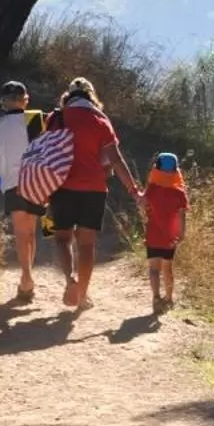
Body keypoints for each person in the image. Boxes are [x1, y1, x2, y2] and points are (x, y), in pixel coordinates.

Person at [46, 77, 143, 312]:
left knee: (62, 239)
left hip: (62, 186)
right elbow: (116, 160)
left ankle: (70, 279)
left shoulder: (56, 118)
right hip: (93, 189)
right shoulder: (101, 121)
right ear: (92, 96)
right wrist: (134, 190)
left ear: (68, 96)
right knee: (87, 245)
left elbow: (45, 153)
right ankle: (83, 295)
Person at [0, 81, 52, 303]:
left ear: (3, 101)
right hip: (37, 182)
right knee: (31, 231)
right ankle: (28, 278)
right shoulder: (38, 119)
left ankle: (26, 279)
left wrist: (2, 169)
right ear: (25, 100)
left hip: (13, 184)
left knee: (21, 233)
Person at [143, 153, 189, 313]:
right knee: (167, 268)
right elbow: (182, 215)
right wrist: (182, 233)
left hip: (153, 234)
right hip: (170, 236)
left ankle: (156, 297)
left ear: (156, 169)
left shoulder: (151, 190)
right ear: (176, 170)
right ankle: (169, 299)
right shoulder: (179, 193)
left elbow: (144, 206)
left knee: (153, 268)